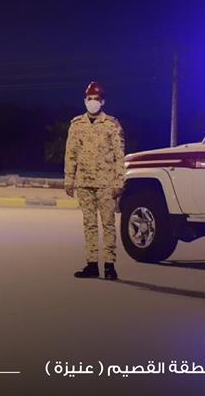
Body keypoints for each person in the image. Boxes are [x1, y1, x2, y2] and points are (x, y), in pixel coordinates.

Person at [64, 81, 125, 280]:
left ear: (103, 101)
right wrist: (69, 180)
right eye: (89, 99)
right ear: (85, 101)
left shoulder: (111, 125)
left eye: (96, 99)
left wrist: (119, 182)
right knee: (89, 224)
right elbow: (71, 154)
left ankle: (109, 266)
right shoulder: (76, 124)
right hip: (84, 182)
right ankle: (91, 264)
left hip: (106, 183)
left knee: (108, 224)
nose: (93, 102)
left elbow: (119, 156)